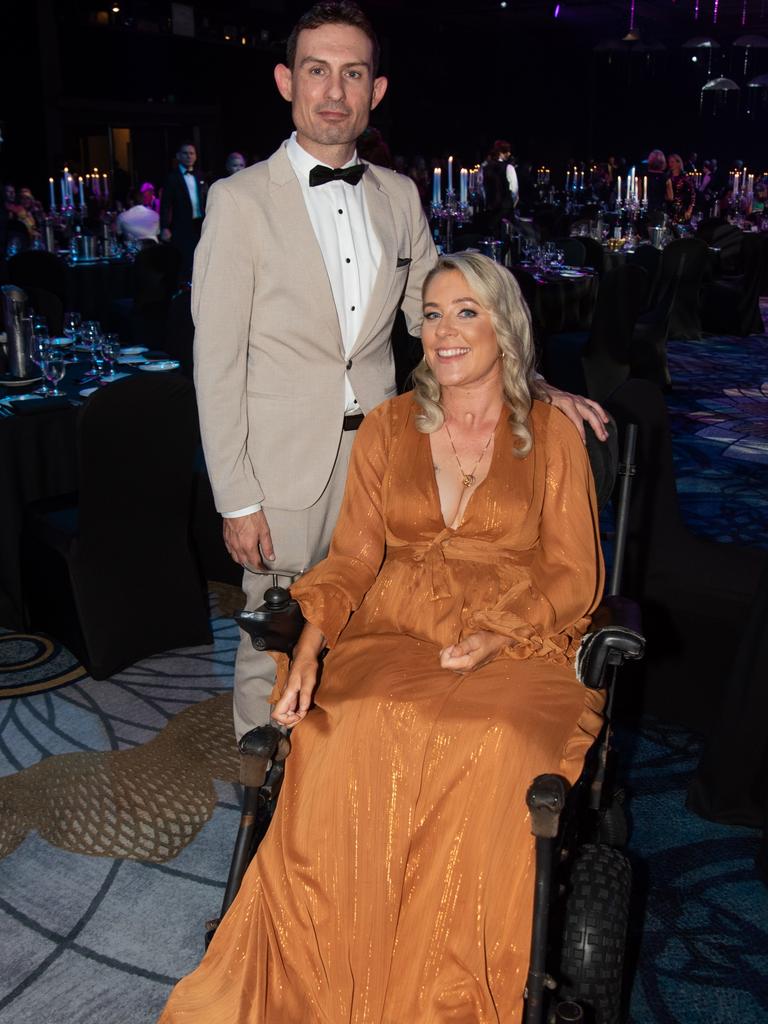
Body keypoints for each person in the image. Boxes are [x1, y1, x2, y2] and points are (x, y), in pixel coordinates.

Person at [158, 252, 605, 1023]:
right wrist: (305, 650)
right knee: (342, 732)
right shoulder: (390, 426)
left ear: (505, 323)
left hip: (521, 634)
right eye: (432, 313)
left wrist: (498, 636)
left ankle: (440, 989)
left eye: (467, 311)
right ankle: (332, 979)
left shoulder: (552, 434)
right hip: (397, 629)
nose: (445, 330)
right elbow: (355, 558)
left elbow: (573, 575)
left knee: (492, 740)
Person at [193, 0, 609, 746]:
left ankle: (344, 776)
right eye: (316, 71)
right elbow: (215, 363)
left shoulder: (398, 196)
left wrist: (536, 386)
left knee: (369, 624)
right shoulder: (238, 202)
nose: (333, 91)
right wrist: (236, 496)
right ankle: (264, 797)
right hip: (282, 466)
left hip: (391, 447)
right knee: (274, 635)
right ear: (287, 81)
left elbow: (442, 324)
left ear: (375, 91)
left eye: (352, 74)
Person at [160, 141, 205, 277]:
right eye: (185, 153)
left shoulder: (200, 176)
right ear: (178, 156)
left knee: (201, 259)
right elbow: (165, 204)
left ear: (196, 156)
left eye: (192, 153)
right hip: (181, 225)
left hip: (200, 224)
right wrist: (164, 227)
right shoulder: (172, 178)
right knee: (185, 261)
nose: (189, 156)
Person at [665, 152, 695, 224]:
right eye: (669, 162)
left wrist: (689, 210)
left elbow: (692, 194)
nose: (670, 164)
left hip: (682, 211)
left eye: (672, 162)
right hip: (668, 209)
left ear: (678, 163)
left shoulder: (685, 177)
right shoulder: (666, 177)